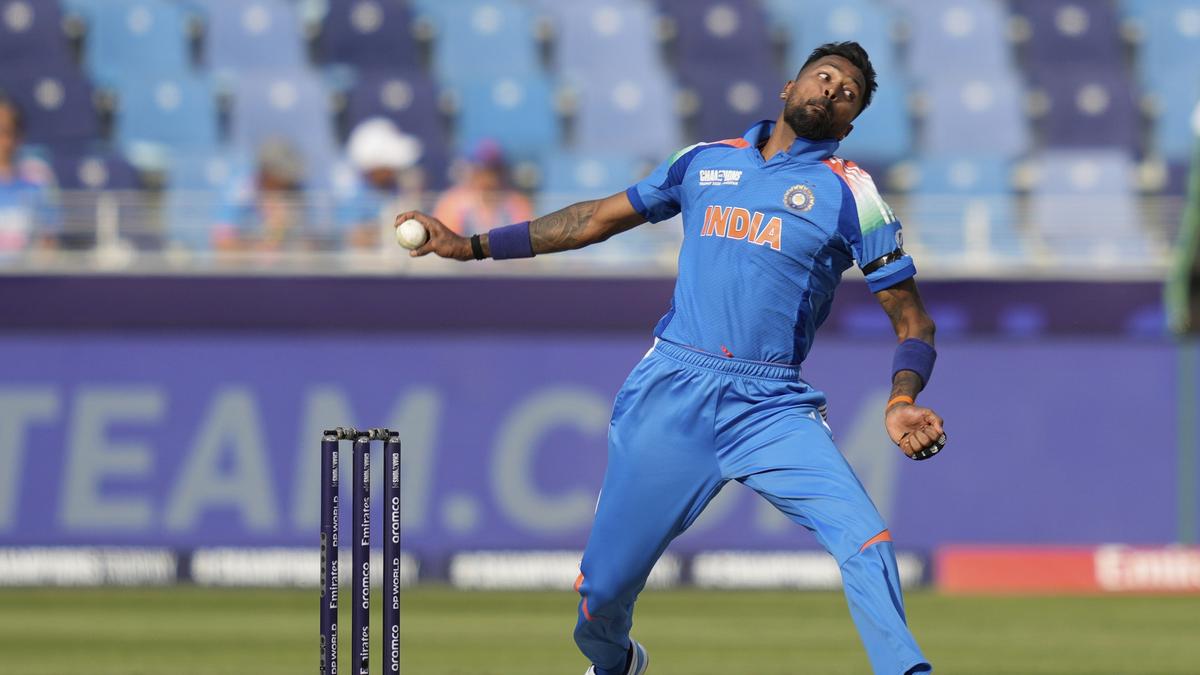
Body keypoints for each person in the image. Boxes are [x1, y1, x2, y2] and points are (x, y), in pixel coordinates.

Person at [399, 42, 944, 675]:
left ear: (848, 125)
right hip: (672, 390)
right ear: (788, 88)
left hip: (769, 407)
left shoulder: (853, 193)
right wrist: (471, 246)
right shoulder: (703, 161)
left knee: (865, 537)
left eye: (847, 93)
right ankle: (618, 663)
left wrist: (902, 398)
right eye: (822, 77)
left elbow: (914, 320)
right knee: (601, 599)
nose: (831, 90)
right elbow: (593, 219)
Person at [213, 138, 318, 253]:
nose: (286, 184)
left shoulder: (297, 191)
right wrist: (260, 246)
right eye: (281, 177)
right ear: (266, 173)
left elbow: (311, 243)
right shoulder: (241, 188)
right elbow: (222, 242)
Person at [336, 117, 424, 250]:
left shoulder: (393, 190)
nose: (395, 170)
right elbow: (356, 240)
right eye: (389, 165)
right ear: (374, 168)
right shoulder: (353, 199)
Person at [432, 138, 532, 235]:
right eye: (483, 170)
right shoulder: (452, 203)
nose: (488, 177)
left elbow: (526, 238)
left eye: (493, 170)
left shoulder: (516, 204)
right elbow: (445, 241)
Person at [0, 93, 57, 255]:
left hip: (25, 270)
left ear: (18, 137)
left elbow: (49, 244)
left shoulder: (37, 181)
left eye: (4, 131)